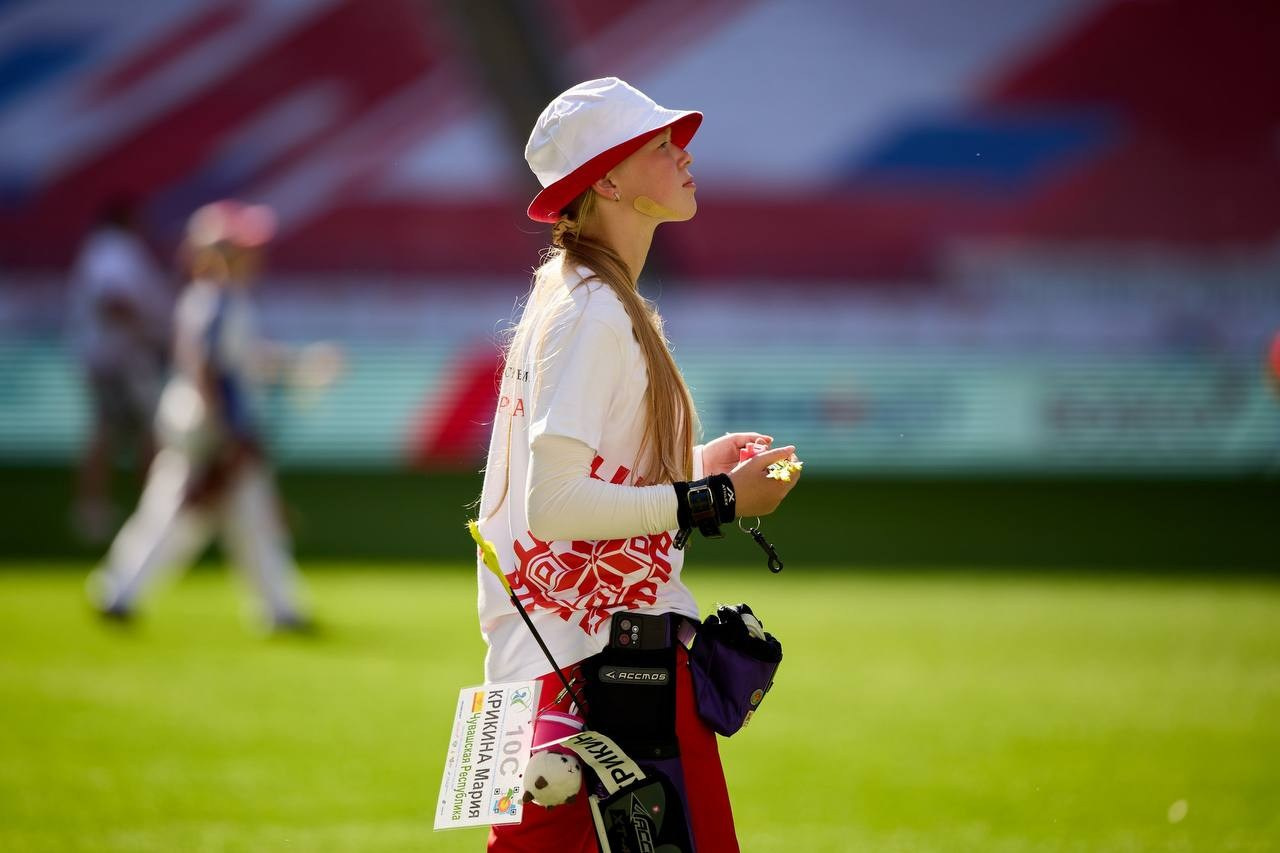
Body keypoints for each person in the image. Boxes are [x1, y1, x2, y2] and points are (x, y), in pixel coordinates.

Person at [473, 78, 801, 852]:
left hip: (570, 665)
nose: (682, 153)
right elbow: (554, 499)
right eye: (659, 144)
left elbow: (585, 476)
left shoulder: (578, 293)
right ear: (608, 180)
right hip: (599, 676)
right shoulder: (592, 308)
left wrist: (693, 465)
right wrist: (711, 495)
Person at [87, 200, 339, 633]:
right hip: (209, 429)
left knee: (241, 517)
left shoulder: (220, 300)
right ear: (219, 253)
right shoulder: (216, 302)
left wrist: (294, 366)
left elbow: (242, 361)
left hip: (207, 425)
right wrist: (230, 435)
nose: (254, 256)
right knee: (186, 512)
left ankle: (277, 609)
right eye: (243, 248)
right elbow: (209, 369)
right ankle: (120, 592)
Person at [67, 197, 171, 543]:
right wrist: (149, 332)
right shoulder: (113, 250)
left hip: (115, 356)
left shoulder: (107, 250)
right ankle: (139, 511)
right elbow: (113, 300)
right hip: (120, 358)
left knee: (119, 432)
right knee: (141, 433)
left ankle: (103, 509)